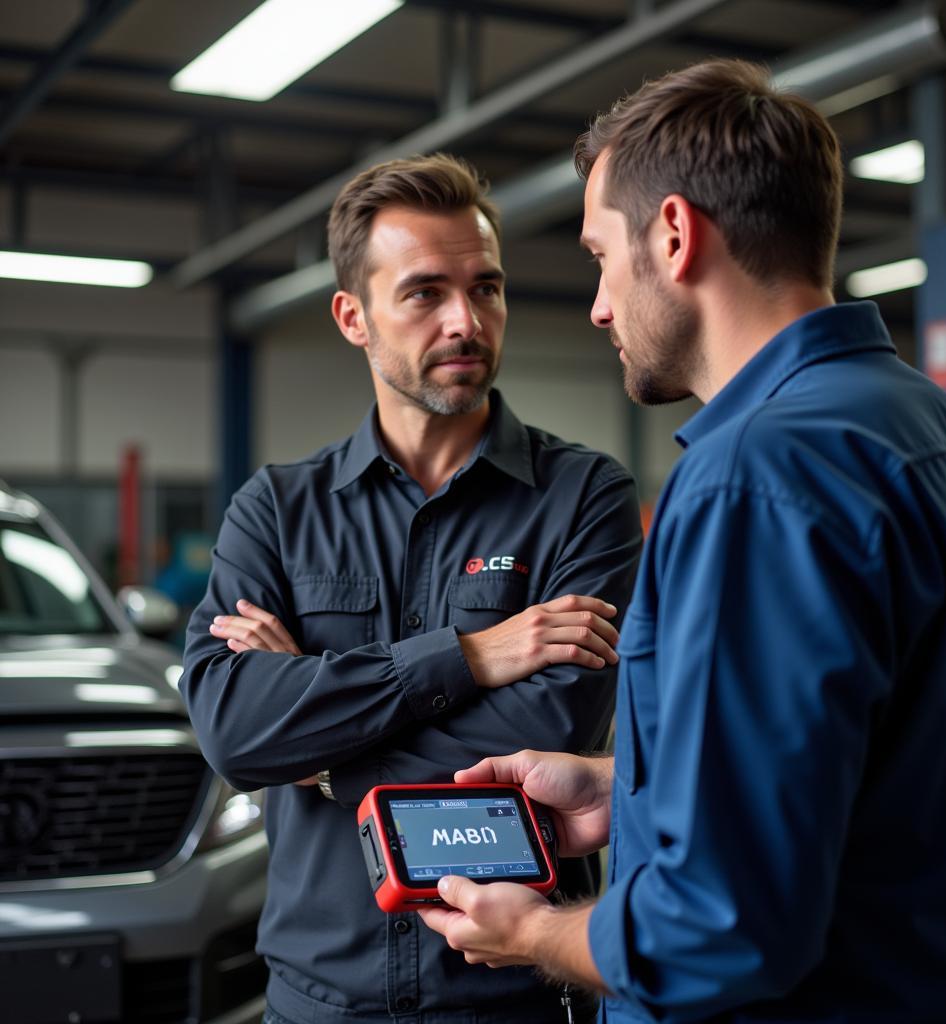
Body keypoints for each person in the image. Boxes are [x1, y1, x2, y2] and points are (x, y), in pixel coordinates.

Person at [419, 60, 946, 1023]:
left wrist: (534, 933)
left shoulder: (754, 479)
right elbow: (908, 770)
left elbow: (721, 927)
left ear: (672, 234)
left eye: (600, 257)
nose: (600, 306)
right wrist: (631, 791)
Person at [179, 154, 643, 1024]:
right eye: (425, 292)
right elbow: (235, 732)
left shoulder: (584, 498)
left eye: (487, 288)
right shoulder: (276, 511)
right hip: (321, 1000)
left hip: (514, 998)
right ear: (354, 317)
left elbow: (547, 744)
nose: (466, 321)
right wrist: (472, 655)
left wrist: (317, 749)